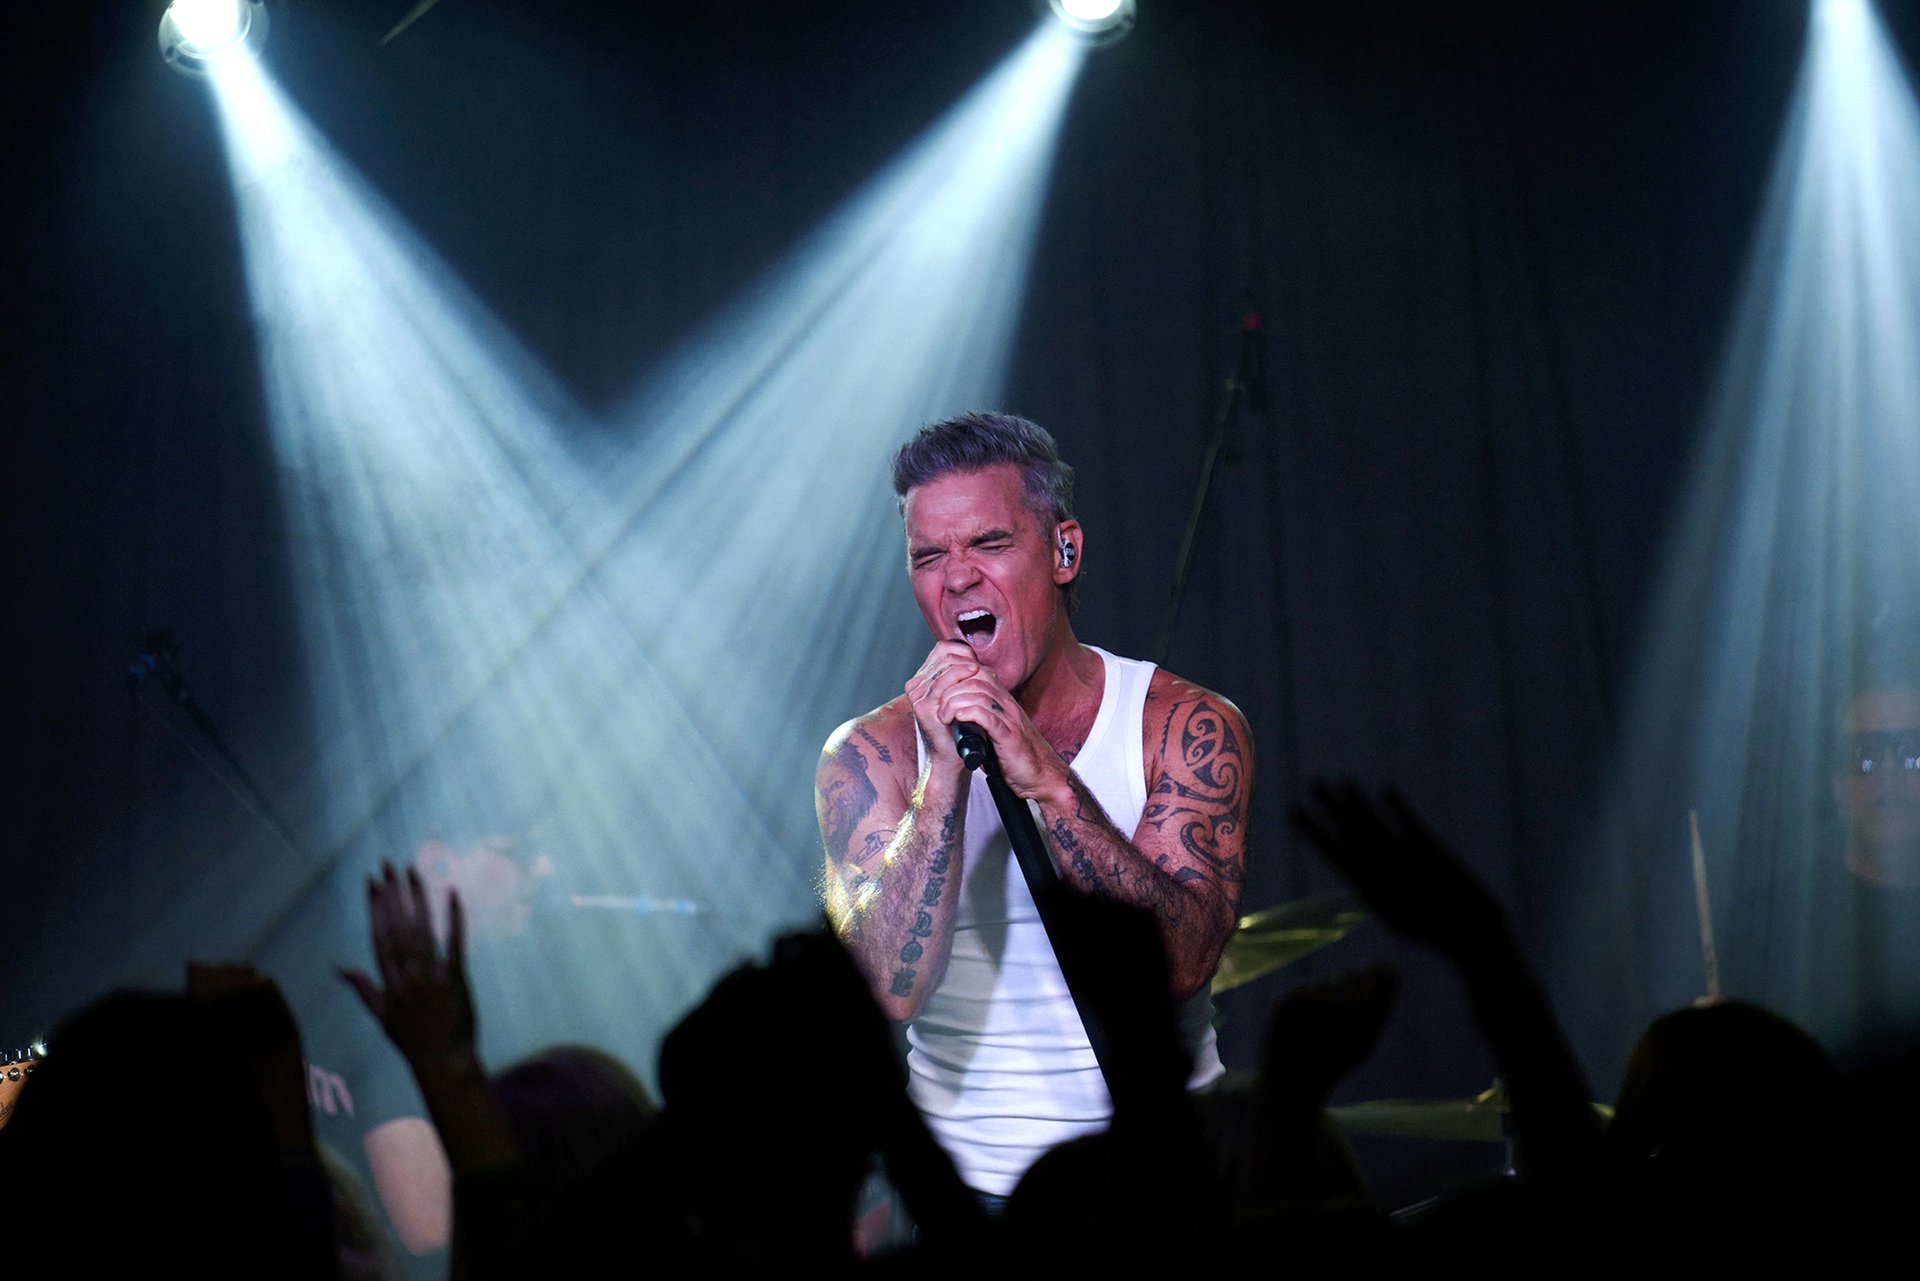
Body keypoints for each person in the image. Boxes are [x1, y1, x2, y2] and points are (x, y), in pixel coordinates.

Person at [815, 411, 1252, 1199]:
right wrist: (943, 780)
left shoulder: (1182, 726)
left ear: (1063, 551)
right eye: (928, 555)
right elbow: (887, 988)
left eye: (988, 542)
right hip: (969, 1194)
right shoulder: (871, 754)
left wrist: (1049, 780)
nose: (957, 578)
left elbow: (1181, 967)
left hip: (1165, 1180)